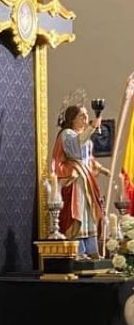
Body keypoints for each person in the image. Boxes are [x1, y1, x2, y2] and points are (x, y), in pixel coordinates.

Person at [51, 104, 109, 257]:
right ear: (72, 119)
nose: (85, 118)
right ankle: (79, 250)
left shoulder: (84, 136)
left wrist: (103, 170)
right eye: (81, 116)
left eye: (86, 115)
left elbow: (89, 158)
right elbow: (76, 148)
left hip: (86, 179)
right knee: (77, 214)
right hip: (74, 180)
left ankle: (92, 249)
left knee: (90, 213)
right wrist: (91, 127)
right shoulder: (67, 134)